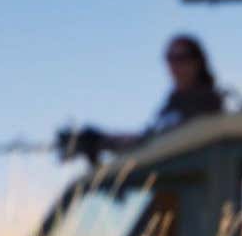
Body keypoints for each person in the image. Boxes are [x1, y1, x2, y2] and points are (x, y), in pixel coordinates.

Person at [60, 34, 225, 162]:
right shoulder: (170, 106)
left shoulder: (207, 103)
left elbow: (166, 144)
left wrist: (104, 142)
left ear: (198, 61)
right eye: (170, 58)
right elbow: (145, 141)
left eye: (181, 57)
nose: (174, 65)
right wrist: (100, 141)